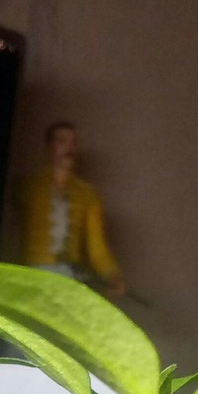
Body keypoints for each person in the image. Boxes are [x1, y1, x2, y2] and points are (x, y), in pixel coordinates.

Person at [20, 120, 124, 297]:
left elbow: (97, 247)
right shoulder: (29, 186)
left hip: (69, 278)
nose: (69, 148)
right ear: (49, 147)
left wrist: (112, 275)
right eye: (62, 141)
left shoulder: (87, 193)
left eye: (73, 142)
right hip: (32, 276)